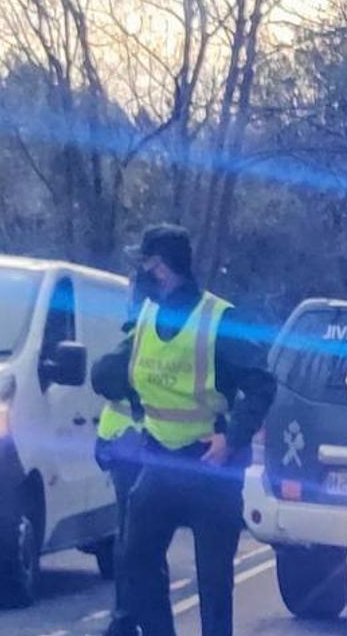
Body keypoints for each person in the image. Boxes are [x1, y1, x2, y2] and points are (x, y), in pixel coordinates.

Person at [92, 223, 277, 636]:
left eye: (145, 264)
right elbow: (114, 374)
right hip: (159, 460)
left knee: (213, 582)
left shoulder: (219, 320)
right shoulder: (146, 316)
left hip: (209, 466)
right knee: (135, 557)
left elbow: (262, 384)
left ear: (162, 268)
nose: (139, 274)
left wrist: (233, 437)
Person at [92, 276, 150, 636]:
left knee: (133, 537)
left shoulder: (138, 340)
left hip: (130, 446)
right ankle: (126, 618)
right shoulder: (140, 341)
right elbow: (107, 382)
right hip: (131, 445)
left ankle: (127, 617)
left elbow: (104, 377)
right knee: (133, 538)